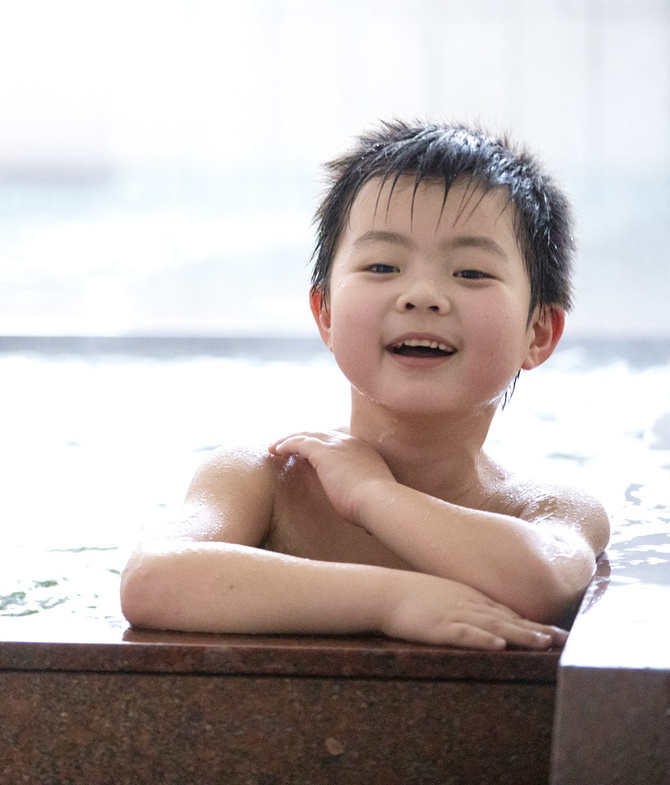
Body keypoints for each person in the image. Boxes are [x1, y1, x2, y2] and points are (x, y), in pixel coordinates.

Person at [119, 120, 610, 651]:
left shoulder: (546, 509)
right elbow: (154, 579)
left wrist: (373, 495)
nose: (422, 295)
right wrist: (394, 600)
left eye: (470, 273)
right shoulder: (266, 477)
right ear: (325, 313)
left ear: (538, 332)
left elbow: (548, 584)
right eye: (381, 265)